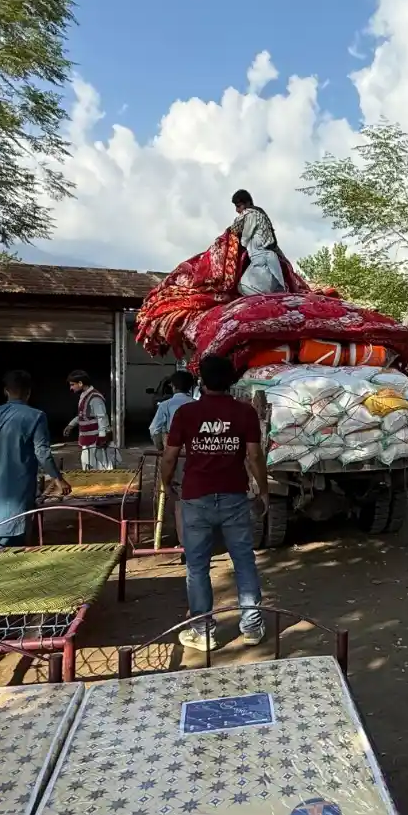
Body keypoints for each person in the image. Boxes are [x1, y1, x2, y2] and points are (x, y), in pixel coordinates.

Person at [159, 354, 270, 651]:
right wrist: (263, 490)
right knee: (244, 561)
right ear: (231, 381)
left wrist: (166, 483)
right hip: (234, 496)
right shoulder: (245, 413)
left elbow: (169, 456)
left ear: (201, 381)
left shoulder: (186, 413)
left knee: (197, 567)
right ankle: (252, 627)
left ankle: (203, 631)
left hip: (196, 498)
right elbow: (254, 455)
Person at [0, 370, 72, 547]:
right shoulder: (36, 416)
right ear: (29, 392)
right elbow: (42, 452)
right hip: (22, 485)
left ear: (6, 391)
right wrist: (58, 479)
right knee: (19, 527)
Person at [228, 189, 288, 296]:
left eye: (239, 206)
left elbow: (243, 239)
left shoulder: (250, 214)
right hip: (271, 263)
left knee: (244, 287)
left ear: (247, 203)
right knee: (273, 297)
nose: (237, 210)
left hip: (261, 262)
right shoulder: (261, 215)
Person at [64, 370, 118, 470]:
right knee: (88, 466)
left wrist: (102, 437)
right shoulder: (85, 396)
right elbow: (83, 415)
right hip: (88, 441)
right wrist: (71, 425)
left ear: (80, 383)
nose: (71, 388)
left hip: (96, 442)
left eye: (72, 385)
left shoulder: (95, 398)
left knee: (99, 468)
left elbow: (102, 417)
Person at [149, 370, 197, 452]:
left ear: (173, 386)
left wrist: (160, 447)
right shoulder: (197, 404)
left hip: (172, 449)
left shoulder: (165, 405)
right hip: (193, 449)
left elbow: (154, 429)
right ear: (190, 387)